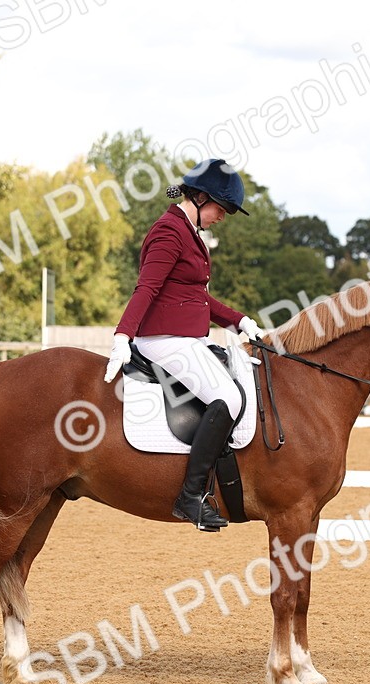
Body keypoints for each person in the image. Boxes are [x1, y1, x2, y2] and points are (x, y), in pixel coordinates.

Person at [103, 158, 266, 531]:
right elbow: (148, 288)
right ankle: (190, 497)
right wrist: (122, 336)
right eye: (221, 209)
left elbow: (195, 298)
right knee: (229, 398)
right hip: (164, 340)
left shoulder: (190, 232)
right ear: (200, 196)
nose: (222, 217)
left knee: (233, 390)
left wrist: (239, 320)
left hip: (187, 339)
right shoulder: (169, 231)